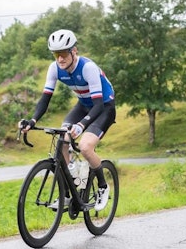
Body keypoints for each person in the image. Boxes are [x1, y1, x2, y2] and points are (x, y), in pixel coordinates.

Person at [20, 29, 116, 211]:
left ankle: (103, 187)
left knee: (86, 147)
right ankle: (67, 189)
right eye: (56, 54)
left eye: (63, 54)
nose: (60, 59)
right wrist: (32, 121)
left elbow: (98, 105)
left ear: (74, 51)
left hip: (103, 107)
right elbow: (45, 99)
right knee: (62, 139)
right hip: (83, 104)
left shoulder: (88, 68)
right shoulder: (54, 68)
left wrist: (81, 125)